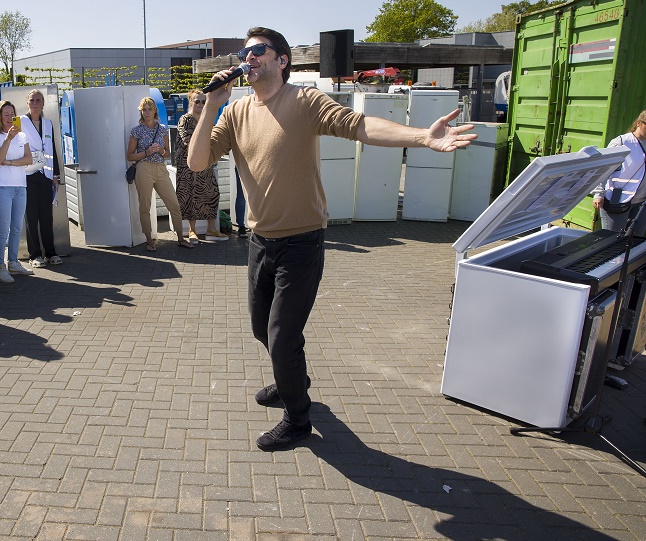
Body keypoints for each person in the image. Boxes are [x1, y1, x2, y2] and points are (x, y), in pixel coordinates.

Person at [188, 27, 475, 451]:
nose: (248, 58)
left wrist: (421, 137)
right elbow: (196, 163)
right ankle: (294, 378)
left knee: (283, 338)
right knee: (261, 329)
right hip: (260, 241)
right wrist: (212, 105)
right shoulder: (235, 113)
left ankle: (298, 419)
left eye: (258, 51)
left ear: (281, 60)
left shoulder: (304, 101)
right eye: (244, 52)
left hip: (302, 241)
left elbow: (359, 126)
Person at [127, 97, 193, 252]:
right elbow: (129, 156)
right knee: (145, 206)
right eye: (144, 109)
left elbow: (168, 153)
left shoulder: (162, 129)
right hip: (144, 168)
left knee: (174, 204)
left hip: (160, 168)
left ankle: (181, 238)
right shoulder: (136, 130)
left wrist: (161, 150)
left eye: (150, 109)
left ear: (155, 110)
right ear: (141, 112)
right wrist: (146, 152)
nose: (147, 112)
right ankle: (149, 241)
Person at [0, 100, 34, 283]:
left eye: (12, 114)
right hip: (2, 187)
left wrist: (11, 163)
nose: (9, 118)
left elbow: (29, 159)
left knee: (16, 227)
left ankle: (13, 262)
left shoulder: (22, 136)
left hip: (20, 186)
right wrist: (8, 139)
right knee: (3, 229)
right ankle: (0, 266)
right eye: (5, 114)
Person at [175, 89, 227, 244]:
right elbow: (188, 141)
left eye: (203, 101)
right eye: (197, 101)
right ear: (191, 102)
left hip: (206, 165)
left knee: (212, 195)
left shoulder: (207, 120)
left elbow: (215, 139)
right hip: (188, 167)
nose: (200, 104)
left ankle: (211, 229)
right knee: (191, 199)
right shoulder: (186, 119)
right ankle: (192, 231)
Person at [20, 89, 63, 267]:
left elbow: (52, 148)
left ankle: (50, 253)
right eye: (32, 100)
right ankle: (34, 255)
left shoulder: (47, 123)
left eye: (38, 100)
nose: (35, 103)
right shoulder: (20, 122)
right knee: (31, 216)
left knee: (46, 216)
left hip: (45, 175)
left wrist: (56, 175)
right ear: (27, 103)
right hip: (27, 174)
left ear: (43, 103)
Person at [591, 110, 646, 232]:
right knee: (612, 239)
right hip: (618, 199)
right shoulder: (622, 142)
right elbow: (603, 168)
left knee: (634, 241)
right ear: (638, 123)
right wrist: (598, 194)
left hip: (641, 202)